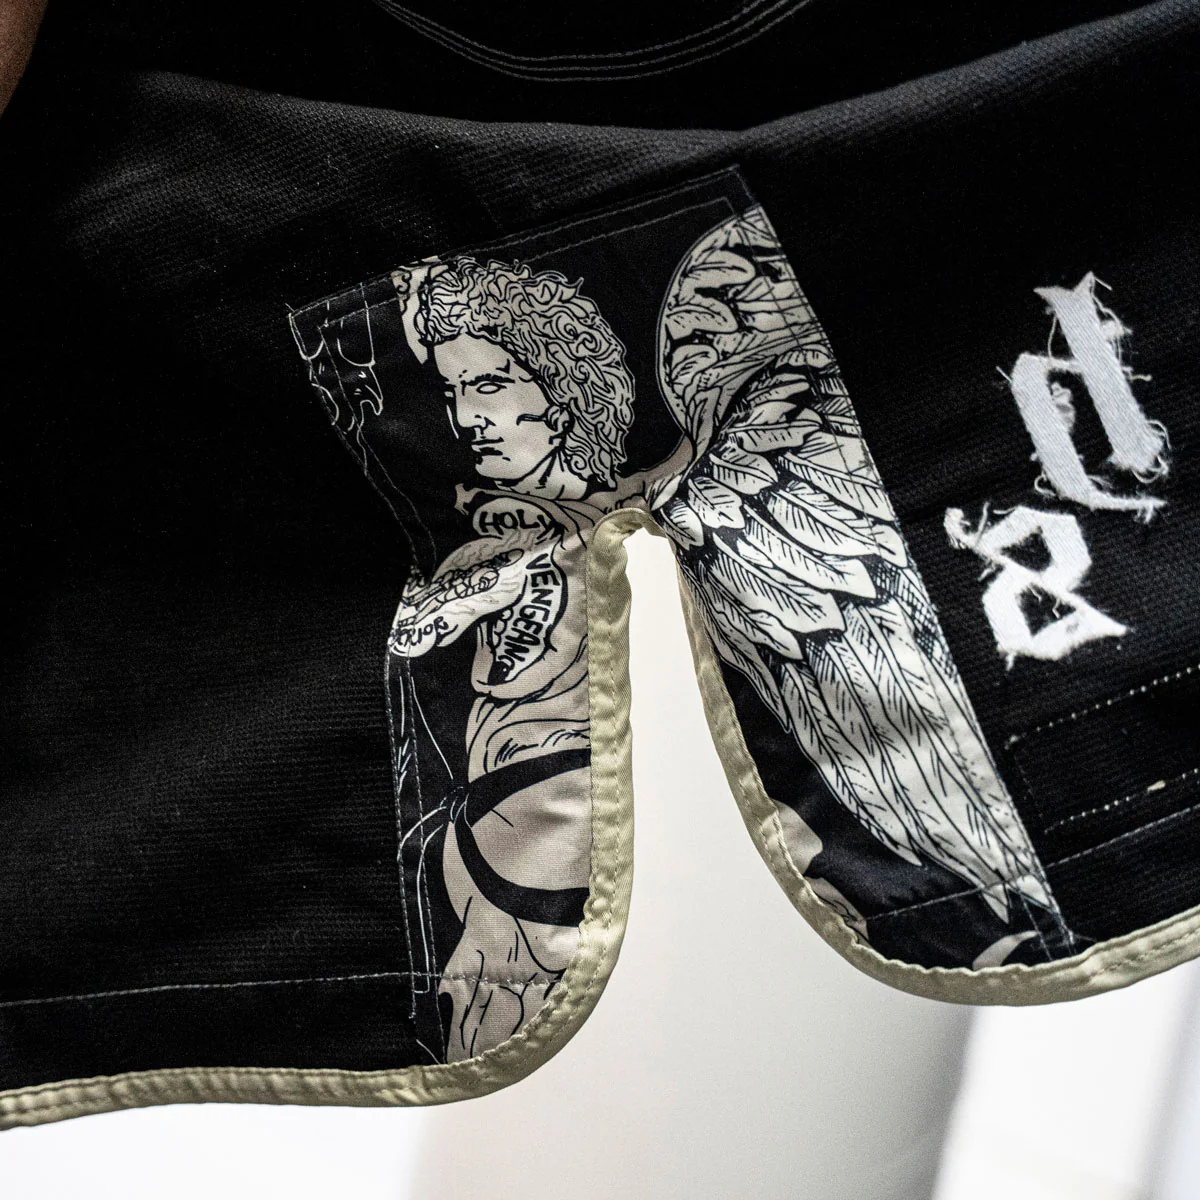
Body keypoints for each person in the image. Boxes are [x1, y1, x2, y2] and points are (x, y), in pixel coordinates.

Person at [389, 257, 635, 1060]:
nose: (466, 419)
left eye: (491, 385)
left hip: (533, 866)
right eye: (454, 392)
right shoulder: (486, 538)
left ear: (562, 390)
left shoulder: (578, 527)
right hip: (485, 853)